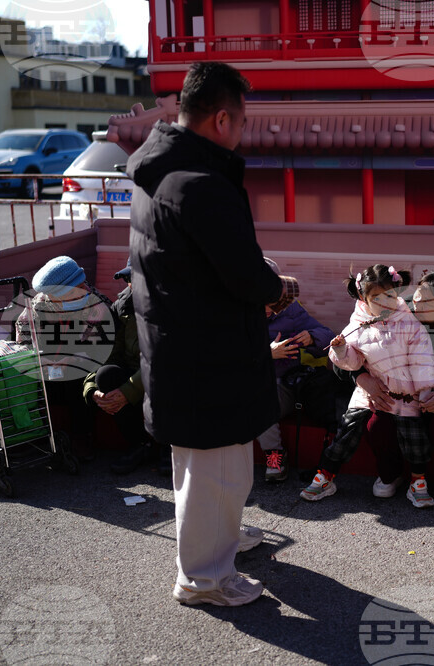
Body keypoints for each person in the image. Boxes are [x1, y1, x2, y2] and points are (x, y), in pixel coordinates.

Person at [128, 61, 297, 607]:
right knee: (217, 470)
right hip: (209, 353)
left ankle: (217, 542)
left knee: (201, 469)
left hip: (181, 345)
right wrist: (277, 286)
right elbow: (244, 274)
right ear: (222, 119)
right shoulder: (200, 184)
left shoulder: (160, 170)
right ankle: (204, 578)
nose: (241, 131)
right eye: (241, 121)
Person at [300, 264, 434, 508]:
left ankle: (418, 481)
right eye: (376, 298)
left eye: (389, 296)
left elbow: (422, 358)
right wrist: (341, 350)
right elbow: (352, 363)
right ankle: (325, 475)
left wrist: (424, 390)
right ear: (363, 298)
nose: (384, 303)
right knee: (346, 430)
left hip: (406, 392)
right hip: (368, 391)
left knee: (414, 438)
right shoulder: (357, 324)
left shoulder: (409, 323)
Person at [353, 269, 434, 502]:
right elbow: (349, 347)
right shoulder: (394, 313)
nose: (417, 306)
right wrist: (361, 378)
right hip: (397, 397)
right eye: (417, 298)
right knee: (377, 425)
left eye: (428, 303)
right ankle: (391, 474)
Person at [16, 255, 116, 461]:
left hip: (82, 366)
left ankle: (82, 438)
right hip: (48, 367)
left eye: (81, 286)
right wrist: (37, 360)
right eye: (72, 291)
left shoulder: (98, 307)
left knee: (79, 381)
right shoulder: (36, 306)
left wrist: (72, 360)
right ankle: (36, 437)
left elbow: (102, 351)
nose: (82, 292)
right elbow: (23, 341)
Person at [82, 259, 170, 476]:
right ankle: (140, 445)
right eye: (128, 278)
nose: (131, 284)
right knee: (106, 375)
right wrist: (92, 390)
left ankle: (169, 446)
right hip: (136, 378)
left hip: (166, 376)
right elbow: (106, 352)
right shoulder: (122, 307)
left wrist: (128, 391)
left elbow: (164, 360)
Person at [258, 256, 335, 482]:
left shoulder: (290, 311)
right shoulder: (233, 312)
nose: (268, 308)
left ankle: (275, 456)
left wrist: (311, 337)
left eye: (272, 299)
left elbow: (327, 336)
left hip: (280, 386)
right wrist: (267, 354)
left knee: (261, 401)